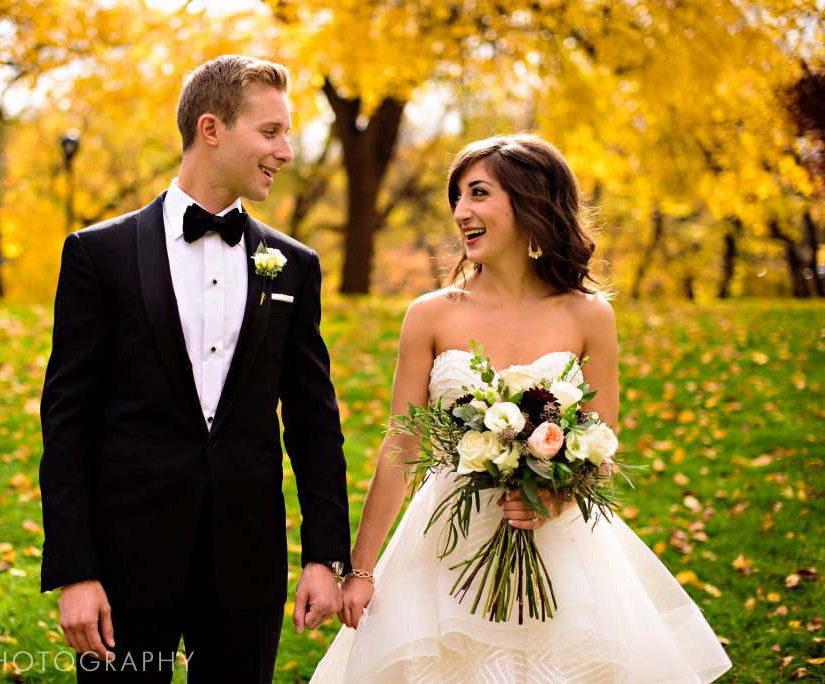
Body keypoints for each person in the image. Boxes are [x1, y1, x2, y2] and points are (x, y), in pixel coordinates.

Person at [312, 134, 732, 683]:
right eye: (457, 197)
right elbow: (402, 444)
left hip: (562, 553)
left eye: (479, 193)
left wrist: (557, 494)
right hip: (446, 548)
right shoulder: (430, 315)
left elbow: (604, 446)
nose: (462, 212)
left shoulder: (589, 317)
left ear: (530, 199)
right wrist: (362, 570)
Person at [38, 55, 351, 684]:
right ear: (211, 129)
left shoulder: (293, 265)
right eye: (271, 132)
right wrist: (76, 570)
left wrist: (324, 556)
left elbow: (314, 422)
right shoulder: (98, 255)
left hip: (246, 566)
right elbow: (66, 422)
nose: (286, 151)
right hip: (124, 569)